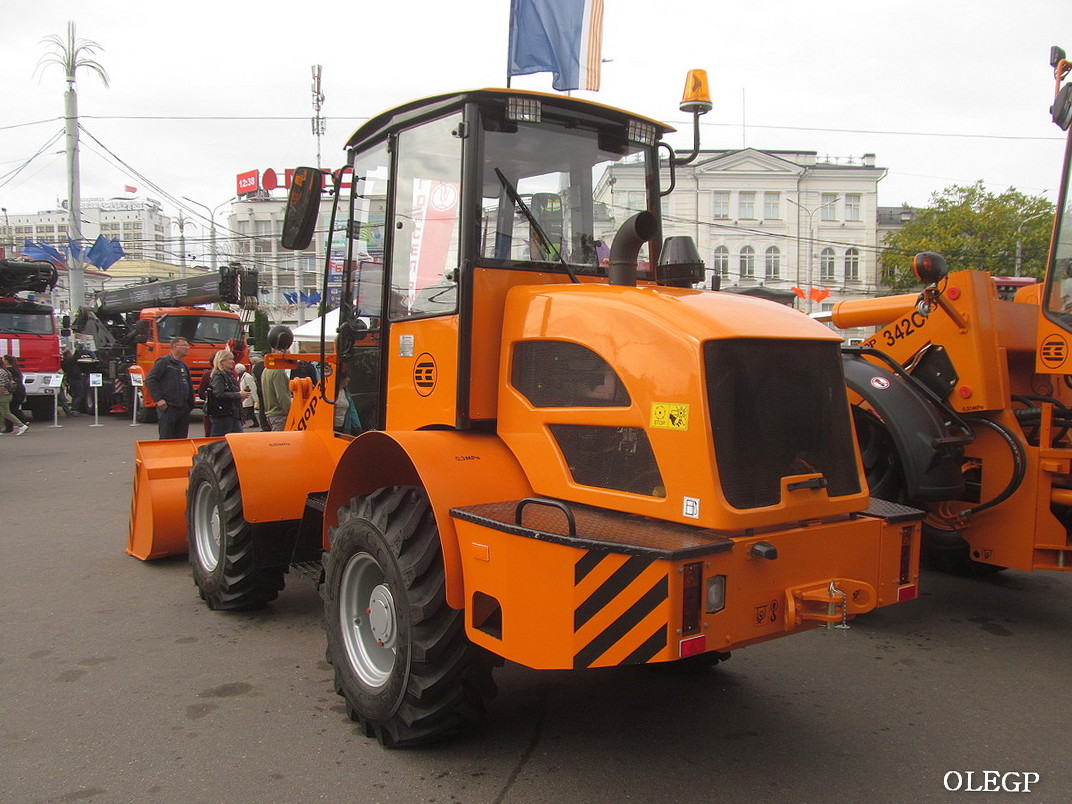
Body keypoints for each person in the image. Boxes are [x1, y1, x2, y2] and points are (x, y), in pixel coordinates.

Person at [145, 336, 195, 439]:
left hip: (183, 407)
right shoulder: (164, 362)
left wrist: (190, 404)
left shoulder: (183, 365)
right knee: (167, 438)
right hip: (169, 407)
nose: (187, 348)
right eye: (184, 345)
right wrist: (158, 399)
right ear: (175, 346)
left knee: (181, 439)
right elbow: (150, 380)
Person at [206, 350, 249, 436]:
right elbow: (218, 394)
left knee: (238, 439)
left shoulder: (229, 374)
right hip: (223, 414)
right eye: (230, 359)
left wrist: (239, 396)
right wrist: (238, 395)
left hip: (231, 413)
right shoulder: (218, 375)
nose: (233, 361)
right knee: (219, 440)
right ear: (222, 361)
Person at [261, 350, 292, 433]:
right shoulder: (278, 371)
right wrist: (291, 411)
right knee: (281, 442)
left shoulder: (267, 369)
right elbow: (282, 395)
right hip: (280, 413)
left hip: (271, 412)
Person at [0, 361, 29, 436]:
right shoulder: (5, 371)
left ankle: (21, 425)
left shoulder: (0, 372)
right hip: (8, 394)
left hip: (3, 395)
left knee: (6, 413)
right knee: (3, 412)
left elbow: (1, 386)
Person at [61, 349, 85, 415]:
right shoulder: (69, 361)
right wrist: (79, 350)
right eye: (70, 354)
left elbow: (74, 358)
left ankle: (74, 409)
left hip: (71, 379)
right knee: (80, 394)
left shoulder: (64, 362)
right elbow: (75, 358)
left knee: (75, 394)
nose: (71, 355)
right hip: (75, 379)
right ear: (68, 355)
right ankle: (74, 408)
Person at [236, 362, 259, 428]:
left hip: (248, 396)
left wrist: (256, 399)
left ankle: (241, 424)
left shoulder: (248, 377)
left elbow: (253, 387)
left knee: (246, 411)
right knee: (250, 412)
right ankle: (256, 423)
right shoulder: (239, 377)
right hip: (244, 396)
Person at [251, 355, 270, 431]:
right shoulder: (267, 366)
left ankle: (263, 425)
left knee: (262, 408)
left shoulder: (256, 367)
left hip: (259, 388)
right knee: (267, 407)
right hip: (266, 388)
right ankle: (268, 424)